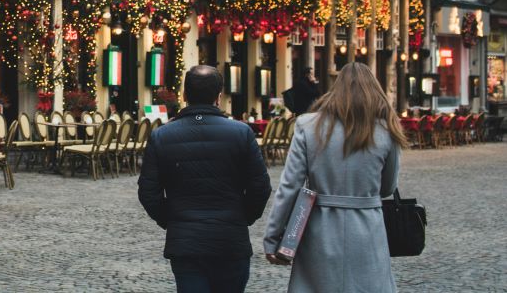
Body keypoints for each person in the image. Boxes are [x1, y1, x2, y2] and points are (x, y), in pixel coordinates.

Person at [263, 62, 407, 293]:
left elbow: (289, 186)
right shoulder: (387, 130)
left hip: (320, 227)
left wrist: (273, 236)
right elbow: (388, 186)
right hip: (367, 228)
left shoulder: (307, 126)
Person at [138, 65, 272, 293]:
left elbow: (148, 192)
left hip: (186, 242)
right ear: (219, 97)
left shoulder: (162, 136)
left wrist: (172, 220)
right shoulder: (241, 133)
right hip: (230, 239)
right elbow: (260, 187)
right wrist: (242, 217)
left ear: (184, 96)